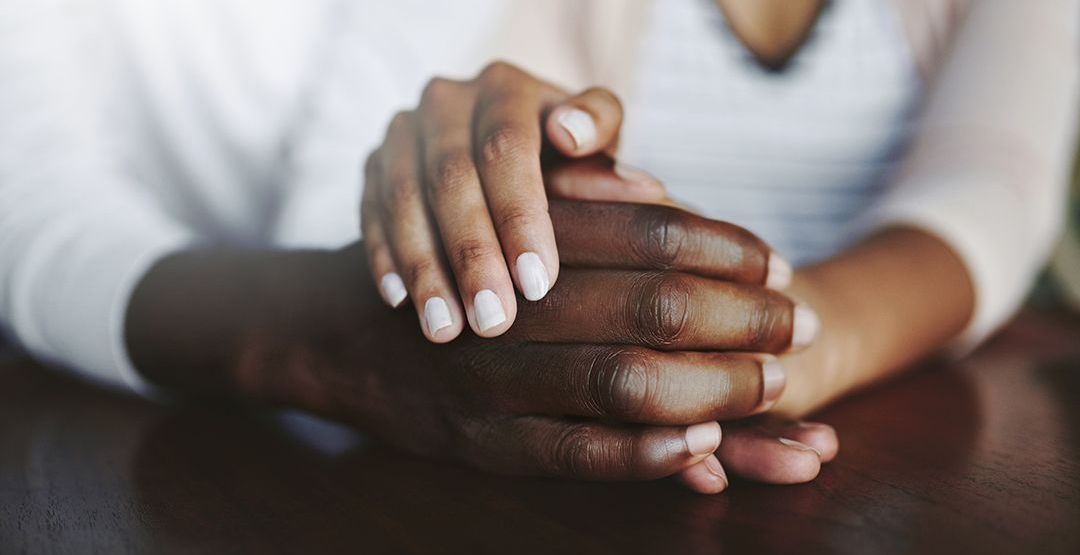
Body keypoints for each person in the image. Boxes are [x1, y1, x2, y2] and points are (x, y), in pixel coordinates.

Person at [0, 0, 1075, 495]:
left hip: (805, 404)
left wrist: (774, 353)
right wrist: (498, 166)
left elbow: (988, 189)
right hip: (584, 407)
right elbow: (469, 166)